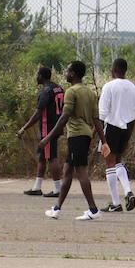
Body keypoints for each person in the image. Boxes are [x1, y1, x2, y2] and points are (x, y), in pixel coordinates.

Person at [39, 60, 103, 220]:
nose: (66, 73)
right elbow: (97, 120)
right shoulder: (90, 93)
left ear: (73, 73)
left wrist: (48, 137)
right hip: (85, 134)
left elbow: (64, 117)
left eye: (67, 71)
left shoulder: (71, 91)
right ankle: (57, 208)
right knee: (67, 171)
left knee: (81, 171)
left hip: (77, 135)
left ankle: (93, 210)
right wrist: (104, 140)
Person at [99, 56, 135, 212]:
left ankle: (115, 203)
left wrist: (99, 137)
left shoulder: (109, 86)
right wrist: (129, 135)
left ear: (114, 70)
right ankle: (128, 191)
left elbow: (102, 115)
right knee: (117, 162)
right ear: (125, 70)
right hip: (127, 127)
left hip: (112, 126)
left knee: (109, 163)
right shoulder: (133, 88)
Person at [16, 66, 64, 198]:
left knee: (51, 157)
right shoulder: (58, 88)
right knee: (43, 156)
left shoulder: (46, 91)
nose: (36, 77)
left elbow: (38, 113)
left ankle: (58, 189)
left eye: (37, 74)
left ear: (41, 76)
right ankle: (37, 187)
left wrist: (23, 128)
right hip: (57, 125)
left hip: (47, 128)